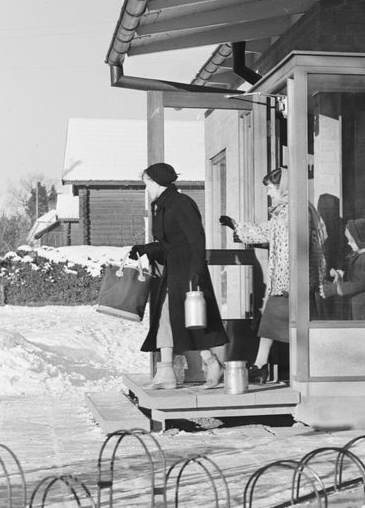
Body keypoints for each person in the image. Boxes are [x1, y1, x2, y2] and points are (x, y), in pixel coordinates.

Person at [219, 167, 326, 383]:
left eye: (270, 188)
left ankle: (305, 369)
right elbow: (266, 231)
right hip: (288, 281)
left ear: (282, 187)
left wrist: (287, 282)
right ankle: (262, 366)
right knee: (273, 325)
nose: (268, 193)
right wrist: (236, 226)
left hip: (291, 282)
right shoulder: (287, 211)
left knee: (293, 328)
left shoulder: (294, 211)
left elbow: (293, 249)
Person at [131, 163, 227, 391]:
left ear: (157, 182)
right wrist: (146, 249)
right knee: (165, 316)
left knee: (190, 319)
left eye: (147, 184)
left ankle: (211, 363)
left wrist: (197, 271)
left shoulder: (182, 203)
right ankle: (167, 371)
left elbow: (196, 239)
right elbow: (169, 244)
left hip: (187, 269)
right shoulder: (162, 206)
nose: (146, 189)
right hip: (172, 269)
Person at [324, 218, 365, 320]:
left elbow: (360, 283)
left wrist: (335, 289)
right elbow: (358, 274)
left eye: (351, 240)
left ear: (361, 239)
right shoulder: (362, 253)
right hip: (363, 302)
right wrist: (342, 275)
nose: (349, 243)